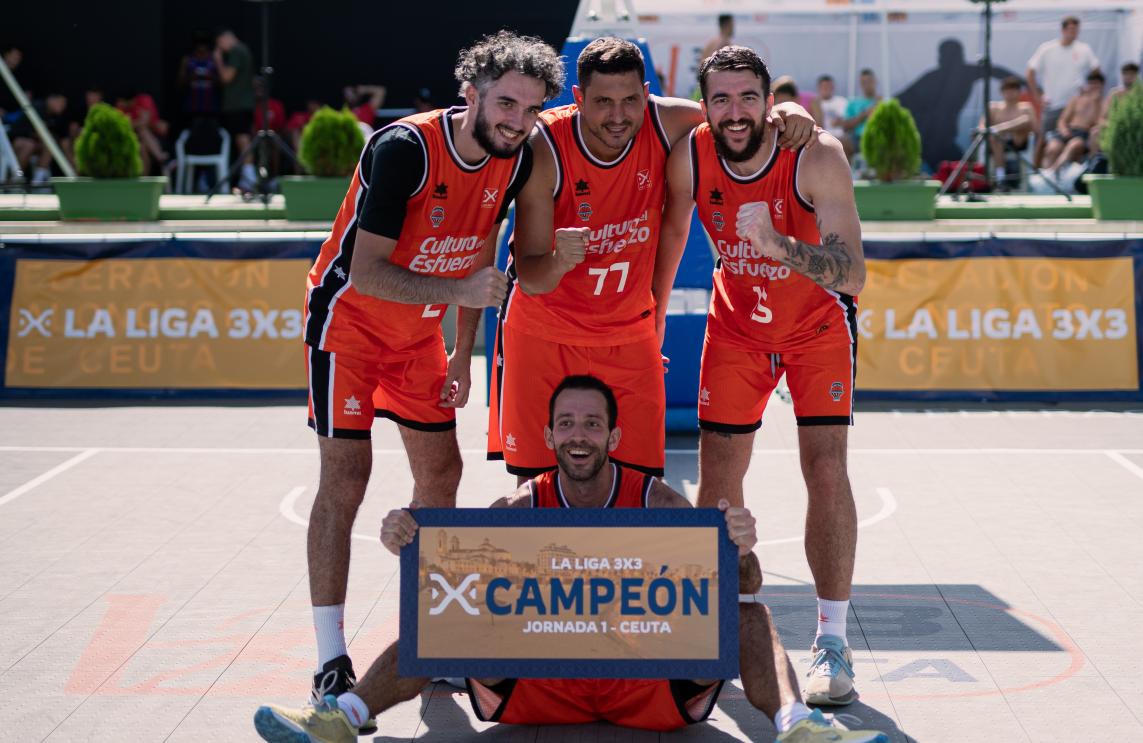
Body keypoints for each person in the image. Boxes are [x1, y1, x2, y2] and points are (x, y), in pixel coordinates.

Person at [254, 376, 888, 743]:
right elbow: (445, 584)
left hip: (647, 689)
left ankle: (797, 723)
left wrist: (740, 548)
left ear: (613, 436)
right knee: (440, 615)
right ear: (549, 435)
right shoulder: (518, 506)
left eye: (590, 424)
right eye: (566, 424)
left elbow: (744, 588)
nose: (578, 435)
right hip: (541, 684)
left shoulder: (659, 501)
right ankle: (344, 718)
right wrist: (407, 538)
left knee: (750, 616)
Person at [300, 30, 564, 735]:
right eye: (505, 103)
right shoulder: (405, 149)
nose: (517, 119)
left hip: (419, 333)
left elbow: (481, 247)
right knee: (346, 479)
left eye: (531, 109)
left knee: (442, 474)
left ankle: (427, 639)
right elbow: (366, 272)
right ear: (469, 92)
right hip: (349, 325)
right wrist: (458, 291)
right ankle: (331, 660)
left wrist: (461, 350)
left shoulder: (517, 157)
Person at [487, 37, 815, 481]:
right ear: (578, 98)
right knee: (538, 488)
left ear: (646, 93)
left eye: (629, 100)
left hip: (628, 334)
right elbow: (530, 277)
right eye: (603, 102)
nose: (618, 116)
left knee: (639, 486)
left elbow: (736, 116)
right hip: (545, 332)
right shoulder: (545, 145)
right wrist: (560, 261)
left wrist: (789, 111)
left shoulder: (668, 121)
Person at [659, 45, 865, 707]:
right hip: (738, 325)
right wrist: (650, 322)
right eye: (720, 99)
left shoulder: (814, 153)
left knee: (825, 467)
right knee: (718, 473)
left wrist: (778, 244)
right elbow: (670, 234)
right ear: (703, 106)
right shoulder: (691, 153)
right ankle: (713, 627)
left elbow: (853, 274)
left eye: (748, 97)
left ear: (768, 100)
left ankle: (832, 640)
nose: (735, 111)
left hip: (815, 324)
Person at [1026, 16, 1100, 166]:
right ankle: (1035, 172)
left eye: (1076, 30)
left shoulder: (1084, 49)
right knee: (1042, 140)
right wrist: (1038, 96)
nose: (1074, 33)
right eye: (1071, 29)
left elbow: (1096, 70)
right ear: (1063, 30)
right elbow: (1030, 73)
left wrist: (1088, 90)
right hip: (1053, 104)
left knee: (1075, 145)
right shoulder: (1047, 49)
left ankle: (1071, 176)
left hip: (1075, 108)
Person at [215, 29, 256, 189]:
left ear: (226, 38)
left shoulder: (236, 51)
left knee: (242, 139)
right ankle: (247, 177)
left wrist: (218, 60)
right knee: (242, 138)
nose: (221, 49)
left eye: (220, 44)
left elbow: (226, 77)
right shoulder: (243, 50)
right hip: (242, 104)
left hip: (238, 104)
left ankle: (249, 177)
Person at [1043, 70, 1105, 175]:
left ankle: (1052, 172)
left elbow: (1098, 122)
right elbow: (1062, 120)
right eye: (1091, 83)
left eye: (1096, 84)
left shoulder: (1102, 103)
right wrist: (1064, 131)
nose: (1093, 86)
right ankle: (1046, 174)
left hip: (1084, 134)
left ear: (1102, 86)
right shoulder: (1076, 100)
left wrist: (1095, 103)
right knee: (1052, 148)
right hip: (1069, 131)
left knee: (1074, 146)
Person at [979, 76, 1037, 186]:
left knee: (1025, 120)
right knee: (994, 136)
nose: (1010, 93)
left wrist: (1003, 128)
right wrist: (999, 131)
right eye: (1006, 89)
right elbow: (982, 128)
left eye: (1013, 89)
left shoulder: (1026, 107)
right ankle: (1001, 177)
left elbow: (1035, 128)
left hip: (1019, 142)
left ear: (1019, 91)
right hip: (996, 143)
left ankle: (998, 130)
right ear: (1002, 92)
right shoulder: (993, 107)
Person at [840, 69, 880, 162]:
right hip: (858, 137)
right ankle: (847, 171)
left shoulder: (883, 102)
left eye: (869, 81)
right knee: (842, 142)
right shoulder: (853, 103)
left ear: (875, 81)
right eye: (864, 82)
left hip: (878, 136)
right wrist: (864, 114)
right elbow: (845, 127)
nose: (867, 85)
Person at [811, 74, 848, 155]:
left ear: (833, 87)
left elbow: (846, 121)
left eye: (828, 86)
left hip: (841, 136)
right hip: (822, 136)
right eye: (824, 87)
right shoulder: (815, 104)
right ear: (819, 88)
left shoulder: (841, 101)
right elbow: (816, 125)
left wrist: (840, 122)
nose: (826, 89)